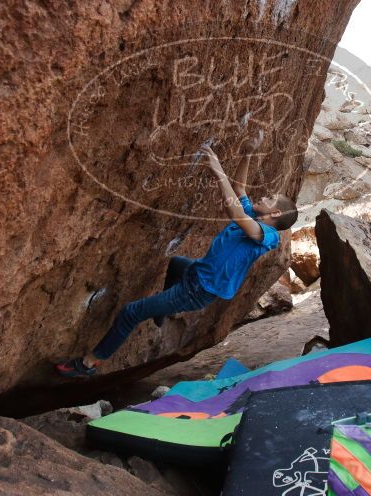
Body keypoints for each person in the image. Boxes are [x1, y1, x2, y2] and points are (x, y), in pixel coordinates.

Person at [56, 139, 298, 377]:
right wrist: (247, 153)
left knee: (131, 312)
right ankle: (162, 310)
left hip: (198, 290)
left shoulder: (268, 235)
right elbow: (239, 189)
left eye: (269, 199)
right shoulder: (253, 217)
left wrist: (218, 173)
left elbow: (234, 212)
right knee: (175, 264)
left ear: (275, 213)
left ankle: (90, 363)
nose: (264, 197)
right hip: (197, 273)